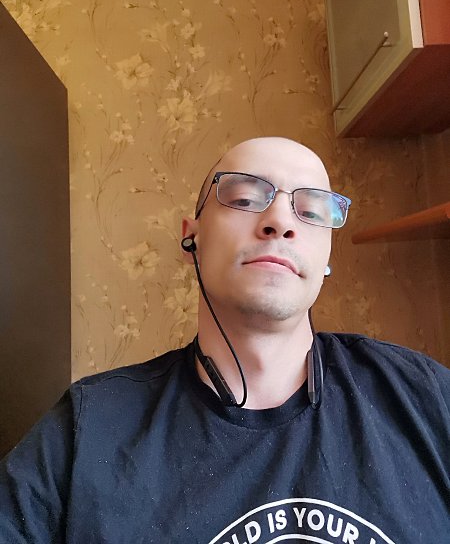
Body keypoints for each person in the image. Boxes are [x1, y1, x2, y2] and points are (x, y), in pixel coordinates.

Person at [0, 137, 448, 543]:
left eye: (312, 211)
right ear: (191, 237)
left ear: (326, 256)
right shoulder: (88, 429)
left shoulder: (427, 396)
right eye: (245, 198)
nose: (280, 222)